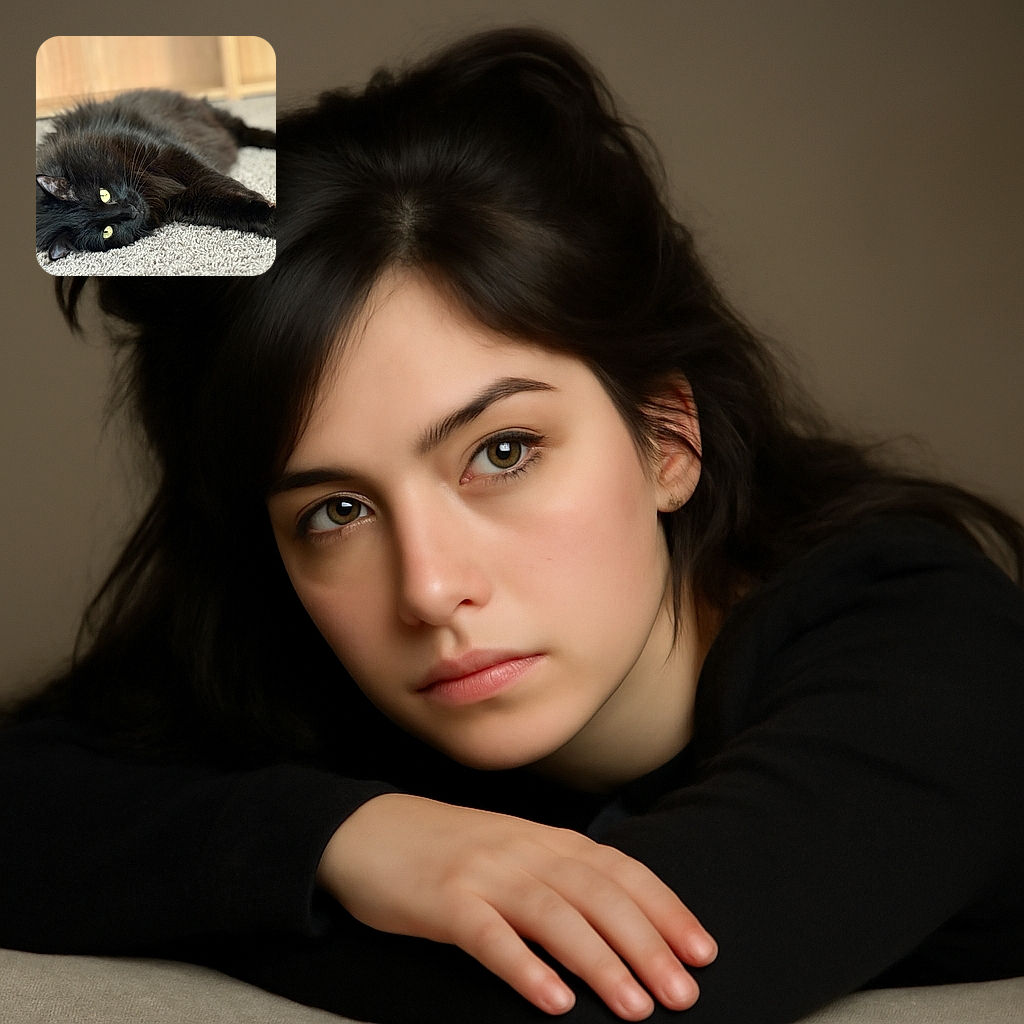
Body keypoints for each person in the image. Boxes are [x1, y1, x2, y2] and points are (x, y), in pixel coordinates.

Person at [3, 27, 1023, 1024]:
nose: (429, 588)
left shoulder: (929, 653)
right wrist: (353, 840)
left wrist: (263, 880)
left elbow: (605, 993)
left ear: (667, 438)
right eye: (337, 510)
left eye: (502, 452)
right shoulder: (304, 666)